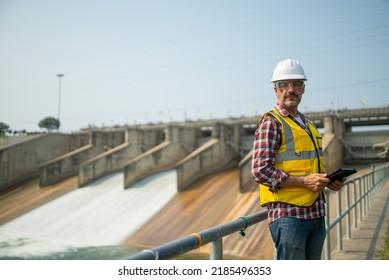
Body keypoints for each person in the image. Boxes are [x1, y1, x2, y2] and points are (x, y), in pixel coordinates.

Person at [251, 58, 344, 260]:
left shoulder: (307, 124)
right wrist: (305, 182)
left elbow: (309, 166)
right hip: (289, 217)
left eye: (296, 84)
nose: (290, 89)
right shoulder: (272, 123)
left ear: (303, 88)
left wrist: (328, 181)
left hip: (316, 214)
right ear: (275, 90)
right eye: (283, 85)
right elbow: (260, 170)